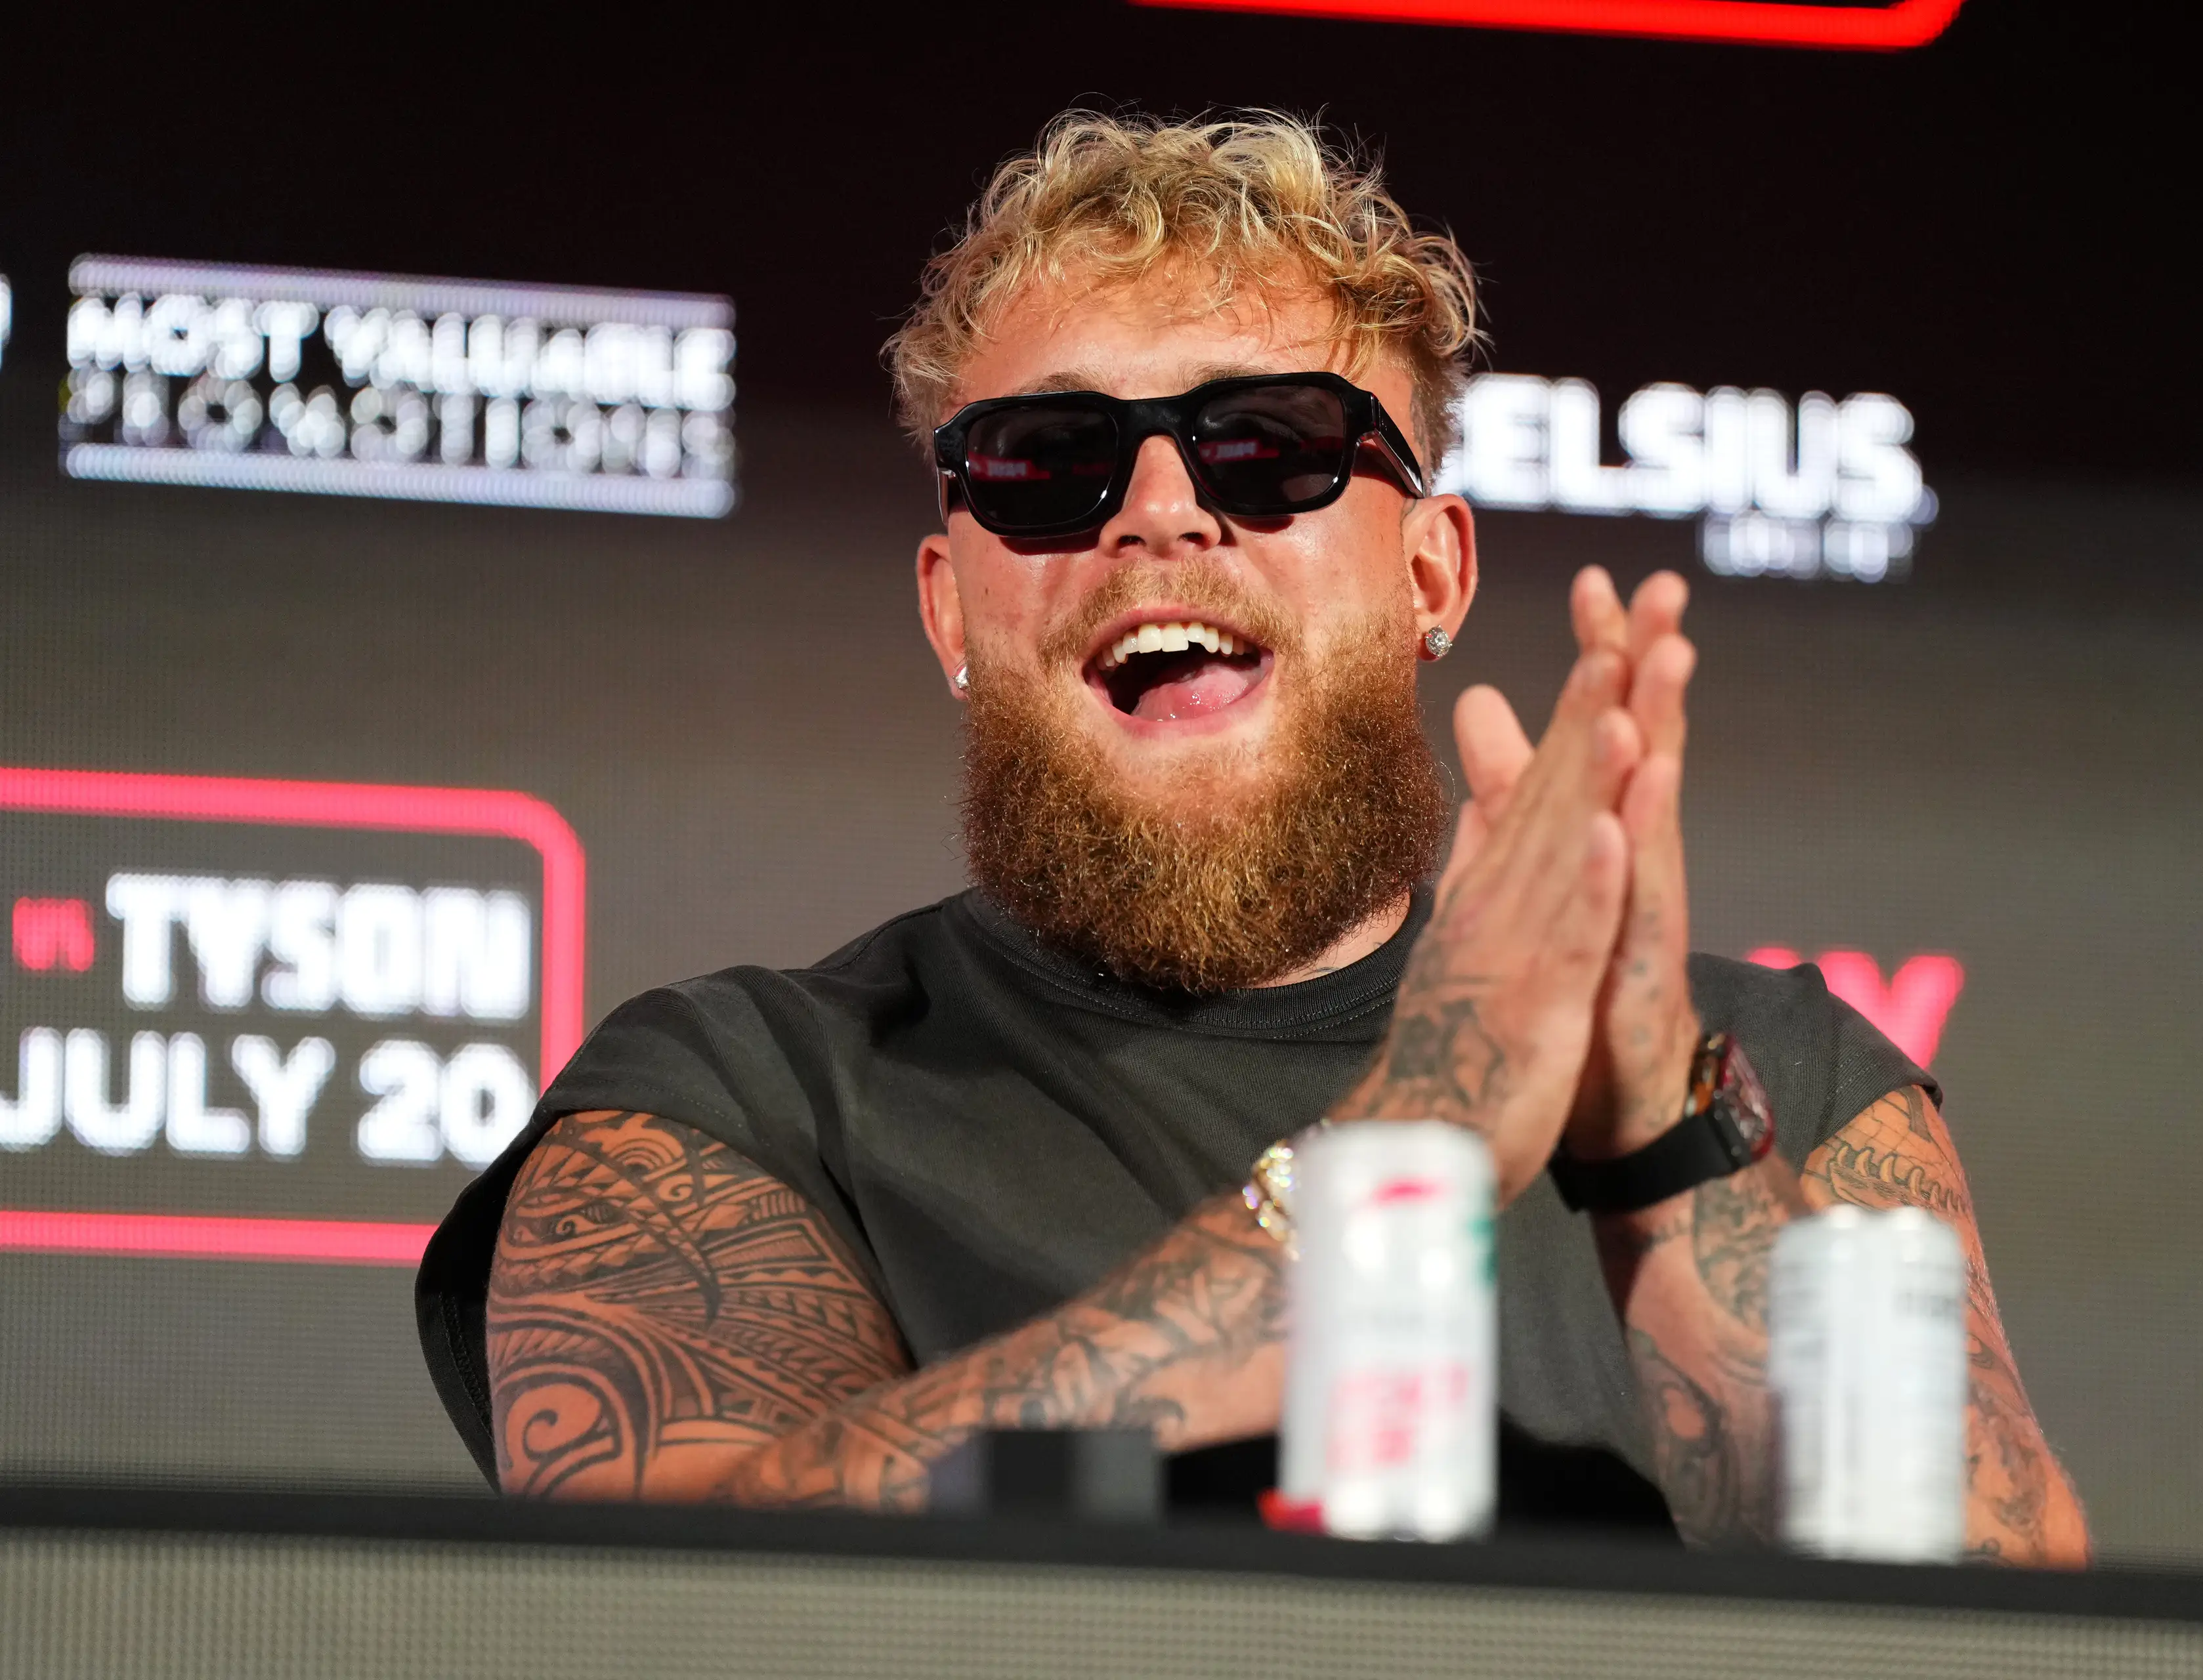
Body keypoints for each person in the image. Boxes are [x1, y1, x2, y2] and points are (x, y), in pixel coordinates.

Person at [417, 110, 2088, 1561]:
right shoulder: (744, 1095)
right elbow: (658, 1599)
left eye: (1269, 445)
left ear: (1431, 575)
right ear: (951, 604)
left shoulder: (1782, 1077)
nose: (1158, 508)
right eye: (1045, 462)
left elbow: (1999, 1613)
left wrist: (1655, 1136)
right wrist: (1396, 1164)